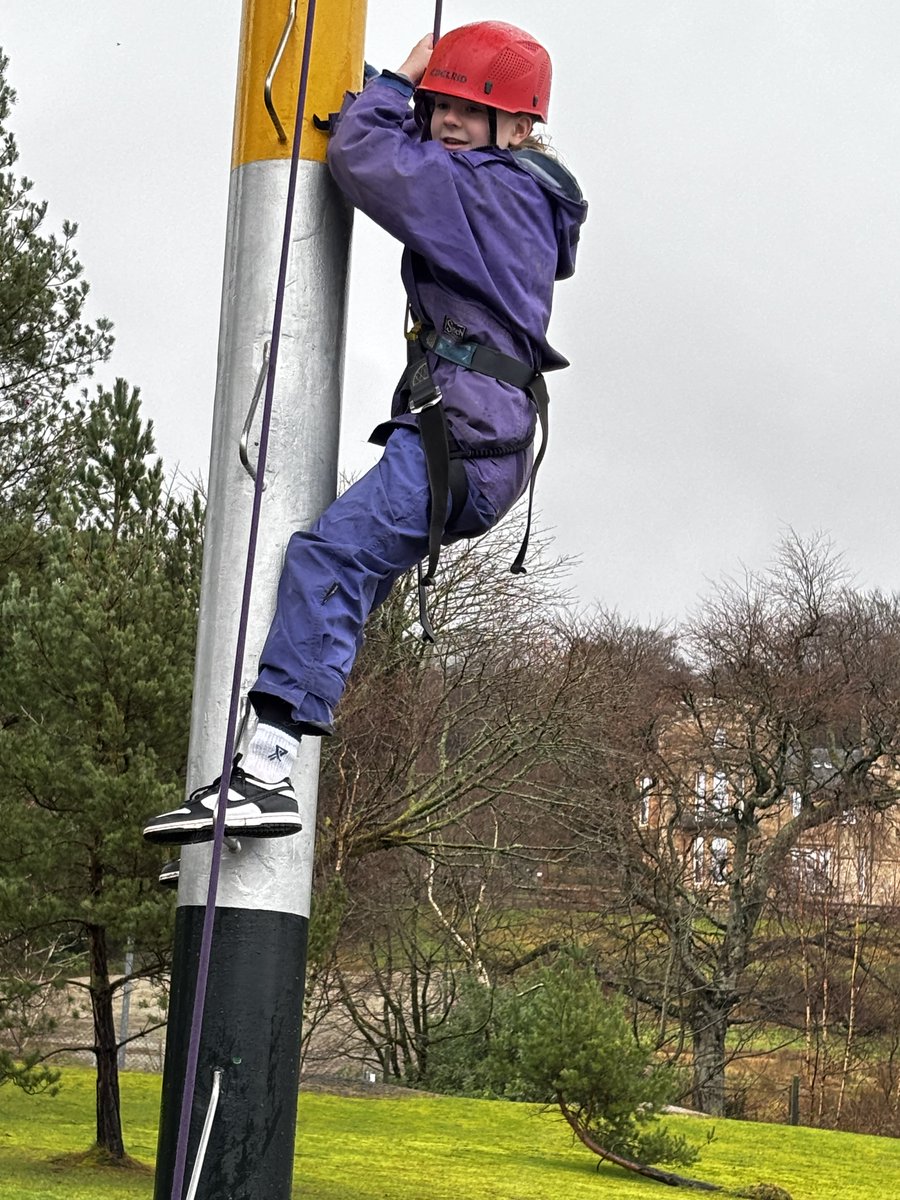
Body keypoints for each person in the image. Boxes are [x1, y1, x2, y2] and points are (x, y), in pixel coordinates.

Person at [143, 20, 588, 846]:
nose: (446, 119)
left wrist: (389, 89)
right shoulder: (504, 186)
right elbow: (394, 147)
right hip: (470, 439)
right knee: (350, 579)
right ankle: (242, 809)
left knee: (329, 557)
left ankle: (266, 772)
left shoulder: (494, 190)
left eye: (469, 109)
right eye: (438, 103)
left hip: (464, 437)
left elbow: (365, 160)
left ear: (520, 127)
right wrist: (392, 90)